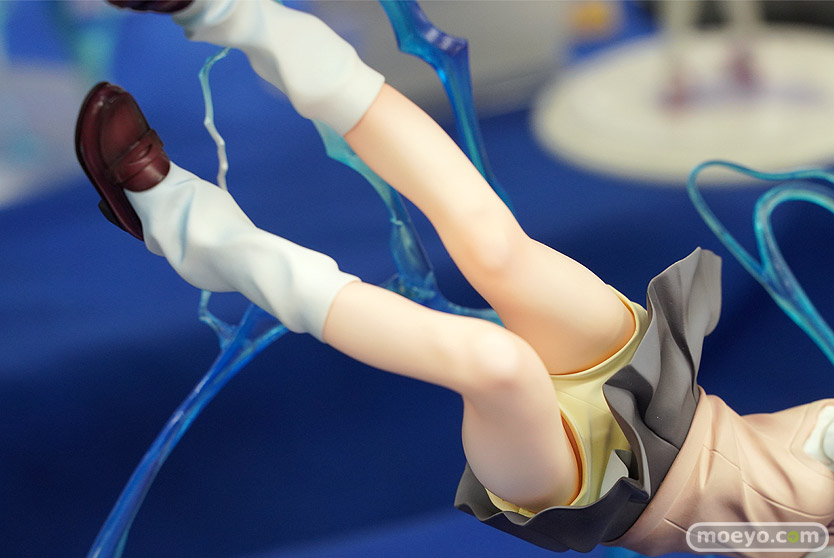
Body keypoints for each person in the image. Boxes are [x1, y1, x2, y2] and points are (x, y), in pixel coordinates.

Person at [77, 1, 834, 555]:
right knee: (496, 247)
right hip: (663, 394)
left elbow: (727, 534)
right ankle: (229, 13)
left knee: (493, 362)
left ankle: (193, 232)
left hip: (602, 484)